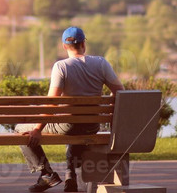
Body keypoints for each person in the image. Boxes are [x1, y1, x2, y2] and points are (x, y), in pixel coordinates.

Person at [16, 26, 124, 192]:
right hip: (92, 126)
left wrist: (38, 129)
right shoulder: (101, 63)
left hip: (69, 125)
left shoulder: (61, 67)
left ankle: (46, 174)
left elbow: (52, 103)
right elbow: (120, 93)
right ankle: (70, 176)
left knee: (19, 129)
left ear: (64, 46)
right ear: (83, 44)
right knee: (75, 127)